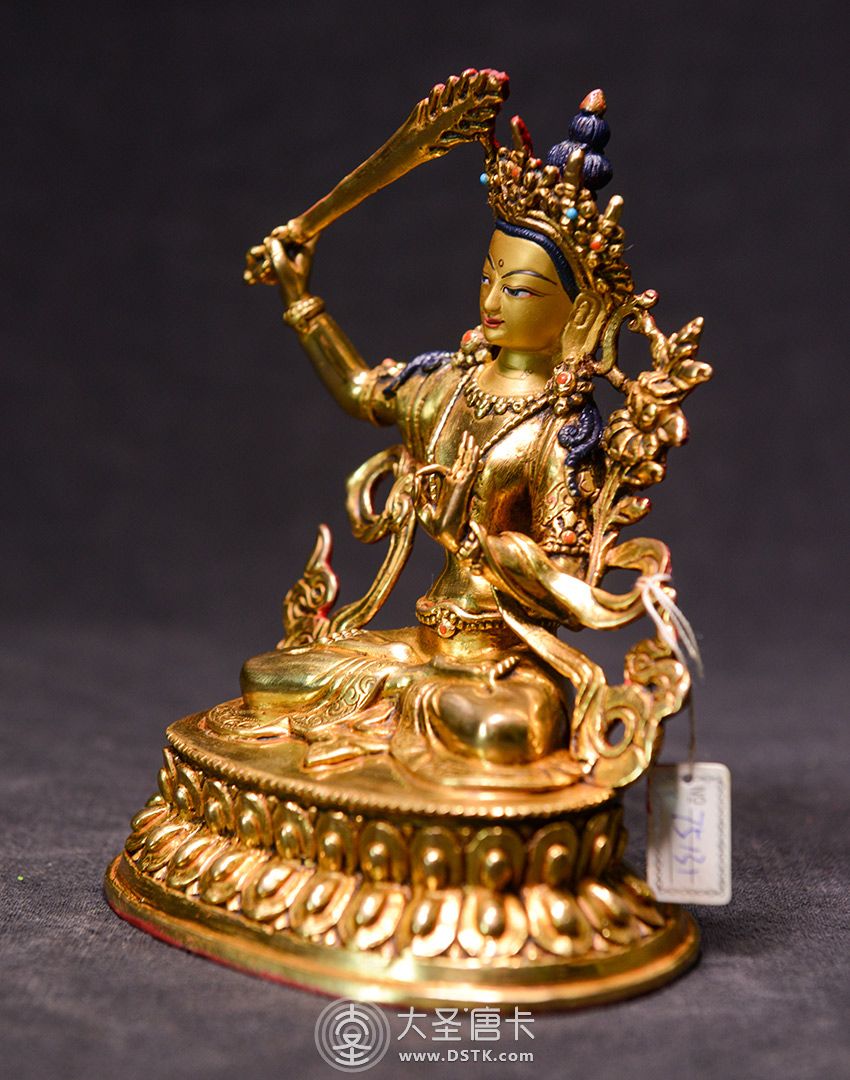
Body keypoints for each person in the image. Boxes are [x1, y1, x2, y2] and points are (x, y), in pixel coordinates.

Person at [227, 93, 691, 790]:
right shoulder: (446, 384)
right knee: (265, 677)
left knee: (500, 730)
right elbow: (362, 392)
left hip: (500, 662)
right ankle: (389, 720)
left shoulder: (559, 430)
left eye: (521, 289)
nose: (493, 301)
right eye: (488, 277)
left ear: (580, 313)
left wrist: (480, 546)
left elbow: (564, 582)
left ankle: (404, 734)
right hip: (420, 645)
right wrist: (299, 296)